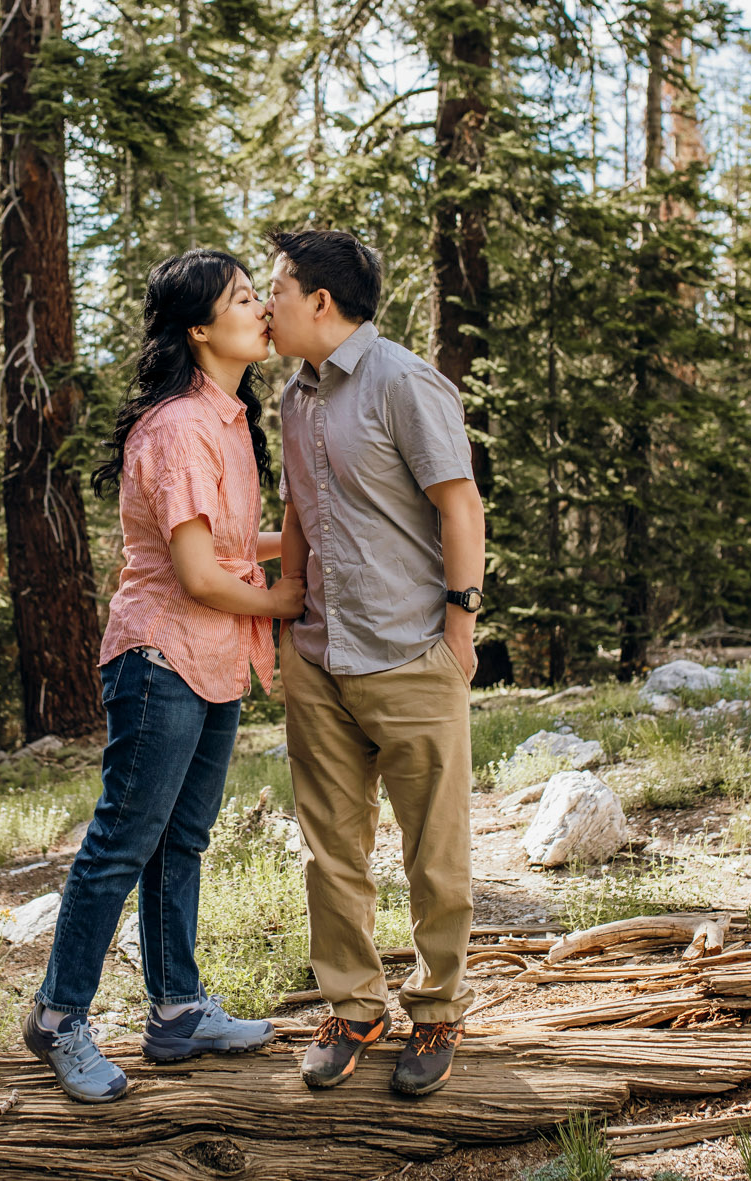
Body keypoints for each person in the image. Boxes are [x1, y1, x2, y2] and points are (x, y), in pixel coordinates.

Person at [22, 249, 305, 1104]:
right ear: (199, 327)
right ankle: (58, 1014)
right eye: (245, 298)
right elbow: (195, 574)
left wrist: (299, 542)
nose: (262, 309)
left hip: (213, 658)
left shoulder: (225, 416)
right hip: (161, 657)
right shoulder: (180, 426)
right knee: (121, 842)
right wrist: (289, 596)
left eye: (261, 294)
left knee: (181, 841)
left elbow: (223, 545)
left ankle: (176, 1009)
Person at [262, 228, 485, 1097]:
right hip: (320, 656)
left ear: (321, 301)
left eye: (276, 287)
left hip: (409, 651)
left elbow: (458, 503)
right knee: (332, 851)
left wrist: (460, 629)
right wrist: (286, 628)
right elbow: (296, 515)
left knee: (435, 853)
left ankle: (438, 1010)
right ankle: (353, 1006)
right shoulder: (293, 398)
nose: (267, 304)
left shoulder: (402, 380)